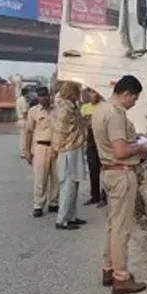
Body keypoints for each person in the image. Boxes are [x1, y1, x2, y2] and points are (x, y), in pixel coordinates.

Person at [92, 75, 147, 294]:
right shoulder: (116, 115)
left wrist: (134, 142)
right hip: (122, 173)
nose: (134, 103)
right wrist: (142, 148)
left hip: (108, 173)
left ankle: (109, 269)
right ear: (126, 94)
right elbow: (120, 151)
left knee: (112, 225)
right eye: (134, 98)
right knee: (122, 229)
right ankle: (121, 277)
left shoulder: (100, 109)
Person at [50, 81, 88, 230]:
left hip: (74, 148)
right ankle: (62, 219)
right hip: (68, 150)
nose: (79, 94)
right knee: (68, 184)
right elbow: (59, 134)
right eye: (77, 91)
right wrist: (59, 149)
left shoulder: (71, 107)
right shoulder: (65, 110)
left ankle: (71, 216)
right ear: (71, 93)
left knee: (74, 183)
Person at [22, 86, 60, 217]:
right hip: (40, 147)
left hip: (56, 147)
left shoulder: (58, 110)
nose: (44, 98)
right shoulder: (33, 111)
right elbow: (28, 131)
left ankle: (53, 203)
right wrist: (26, 151)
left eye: (46, 95)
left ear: (50, 95)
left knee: (56, 177)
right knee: (40, 177)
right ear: (37, 97)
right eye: (41, 95)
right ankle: (38, 205)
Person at [81, 88, 106, 207]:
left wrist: (91, 121)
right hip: (91, 142)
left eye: (95, 92)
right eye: (90, 92)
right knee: (93, 171)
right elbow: (83, 123)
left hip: (102, 142)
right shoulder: (85, 108)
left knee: (105, 171)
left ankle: (105, 197)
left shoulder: (104, 107)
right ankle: (94, 196)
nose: (92, 95)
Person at [16, 88, 30, 155]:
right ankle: (24, 152)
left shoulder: (18, 99)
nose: (29, 94)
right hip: (24, 120)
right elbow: (25, 112)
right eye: (28, 93)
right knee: (24, 137)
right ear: (26, 93)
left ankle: (23, 151)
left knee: (22, 137)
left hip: (20, 120)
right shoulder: (23, 100)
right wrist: (28, 120)